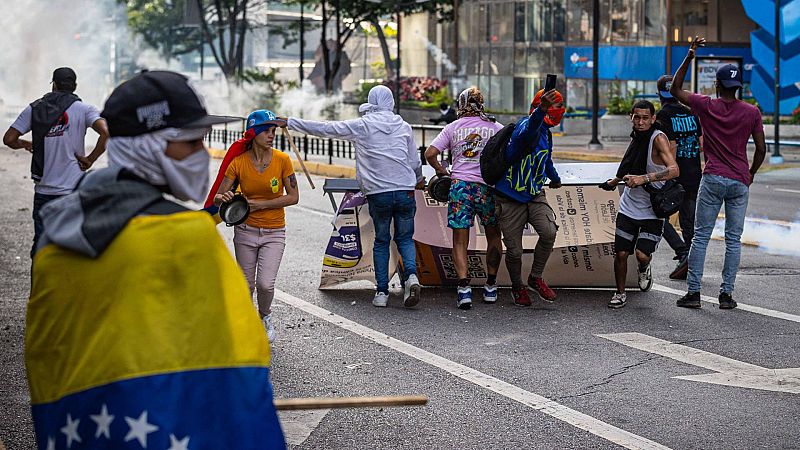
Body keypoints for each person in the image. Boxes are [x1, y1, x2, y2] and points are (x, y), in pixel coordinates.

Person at [26, 71, 285, 449]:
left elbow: (46, 357)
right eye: (190, 142)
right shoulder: (186, 238)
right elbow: (237, 363)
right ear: (149, 146)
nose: (202, 154)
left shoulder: (55, 233)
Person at [286, 85, 424, 308]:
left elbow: (327, 129)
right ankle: (411, 277)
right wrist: (419, 180)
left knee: (381, 240)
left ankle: (381, 292)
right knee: (405, 238)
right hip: (405, 191)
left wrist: (290, 122)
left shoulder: (362, 126)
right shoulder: (404, 127)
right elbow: (414, 161)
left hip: (379, 194)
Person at [669, 37, 767, 310]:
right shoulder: (752, 112)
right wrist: (751, 173)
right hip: (739, 181)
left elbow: (675, 89)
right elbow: (761, 148)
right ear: (737, 87)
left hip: (712, 178)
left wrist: (690, 56)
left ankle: (694, 293)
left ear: (717, 85)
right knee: (733, 240)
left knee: (701, 236)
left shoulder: (707, 106)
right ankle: (726, 295)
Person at [3, 67, 108, 257]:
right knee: (74, 250)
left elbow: (9, 139)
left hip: (44, 192)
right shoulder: (85, 109)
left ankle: (39, 286)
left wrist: (26, 143)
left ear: (54, 85)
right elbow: (106, 132)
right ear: (74, 86)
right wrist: (90, 159)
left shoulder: (34, 108)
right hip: (73, 191)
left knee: (42, 250)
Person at [214, 109, 299, 342]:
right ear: (255, 133)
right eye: (267, 131)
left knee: (265, 284)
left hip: (274, 232)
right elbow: (219, 195)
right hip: (245, 231)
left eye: (273, 131)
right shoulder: (238, 163)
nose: (272, 135)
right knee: (246, 283)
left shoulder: (282, 160)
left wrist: (260, 205)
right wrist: (226, 197)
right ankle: (245, 323)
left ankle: (265, 315)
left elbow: (293, 197)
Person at [424, 87, 504, 310]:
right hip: (487, 188)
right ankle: (490, 285)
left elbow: (430, 154)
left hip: (460, 187)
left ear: (461, 104)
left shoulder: (452, 127)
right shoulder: (494, 127)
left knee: (460, 238)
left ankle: (464, 289)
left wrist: (442, 171)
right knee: (493, 234)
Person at [599, 100, 678, 309]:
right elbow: (629, 165)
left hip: (653, 209)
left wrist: (644, 178)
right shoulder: (636, 138)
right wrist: (615, 181)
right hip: (629, 206)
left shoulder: (657, 139)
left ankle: (644, 268)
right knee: (621, 253)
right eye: (637, 117)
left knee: (642, 254)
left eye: (645, 118)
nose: (641, 122)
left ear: (653, 119)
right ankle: (620, 293)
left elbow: (674, 170)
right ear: (631, 118)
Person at [494, 89, 563, 307]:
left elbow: (546, 159)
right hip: (509, 196)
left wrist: (555, 178)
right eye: (553, 107)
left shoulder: (547, 133)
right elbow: (531, 128)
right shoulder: (526, 127)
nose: (558, 112)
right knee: (514, 251)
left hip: (534, 194)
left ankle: (535, 277)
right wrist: (541, 110)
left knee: (549, 231)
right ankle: (517, 286)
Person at [655, 74, 704, 280]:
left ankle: (682, 252)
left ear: (659, 94)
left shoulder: (662, 116)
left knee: (657, 215)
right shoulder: (691, 113)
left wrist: (667, 175)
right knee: (688, 221)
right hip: (694, 174)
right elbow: (702, 144)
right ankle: (692, 261)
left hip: (675, 176)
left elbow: (671, 147)